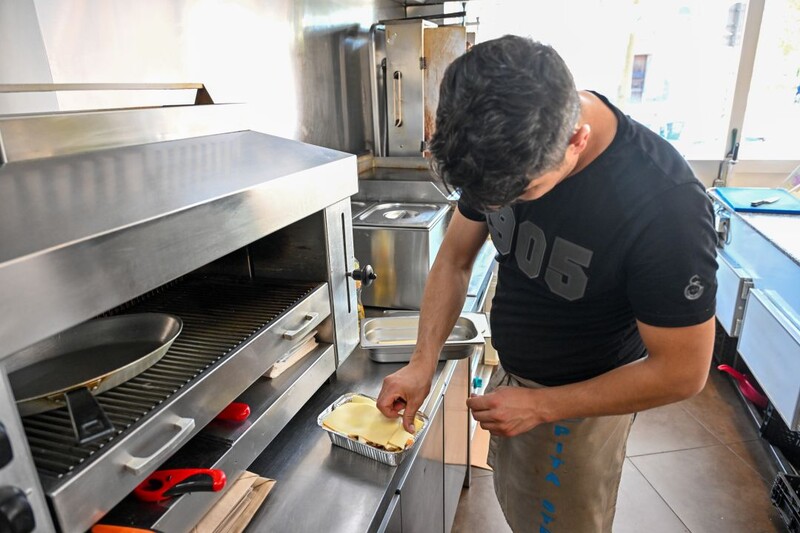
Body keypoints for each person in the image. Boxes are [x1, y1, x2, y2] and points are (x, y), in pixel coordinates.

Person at [376, 35, 717, 533]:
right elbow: (453, 258)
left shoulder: (666, 207)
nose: (492, 210)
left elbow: (684, 372)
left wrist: (543, 405)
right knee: (522, 510)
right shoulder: (498, 143)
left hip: (580, 409)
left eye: (520, 194)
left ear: (576, 142)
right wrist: (422, 361)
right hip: (516, 389)